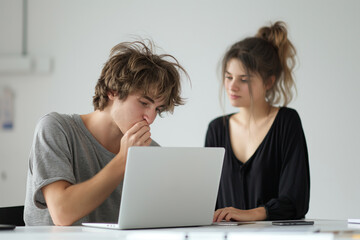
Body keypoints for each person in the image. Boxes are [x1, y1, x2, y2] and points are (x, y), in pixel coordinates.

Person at [24, 40, 188, 226]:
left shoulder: (149, 150)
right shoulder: (56, 129)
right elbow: (62, 213)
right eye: (144, 103)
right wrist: (123, 159)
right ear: (113, 91)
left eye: (158, 109)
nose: (150, 118)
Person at [205, 21, 310, 222]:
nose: (232, 87)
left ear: (269, 82)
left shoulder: (287, 122)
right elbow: (208, 200)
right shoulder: (216, 129)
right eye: (228, 77)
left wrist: (249, 215)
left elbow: (296, 200)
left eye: (243, 79)